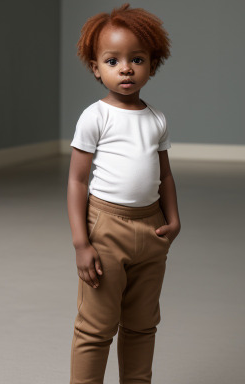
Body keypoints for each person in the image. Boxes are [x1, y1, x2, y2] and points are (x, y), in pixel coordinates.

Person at [67, 3, 181, 383]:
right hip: (106, 228)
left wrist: (173, 218)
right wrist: (82, 243)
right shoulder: (95, 116)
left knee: (142, 324)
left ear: (152, 64)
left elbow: (164, 175)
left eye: (137, 59)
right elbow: (77, 182)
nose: (126, 68)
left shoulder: (156, 119)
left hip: (151, 231)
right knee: (96, 327)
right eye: (113, 61)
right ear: (96, 68)